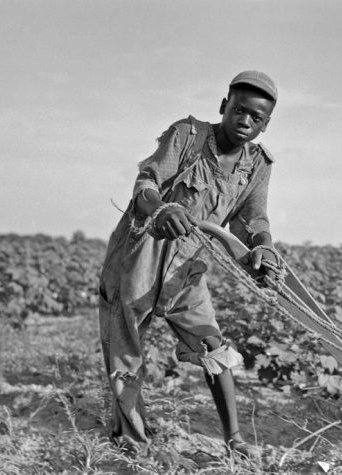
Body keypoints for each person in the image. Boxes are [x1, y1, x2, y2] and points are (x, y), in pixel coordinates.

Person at [98, 70, 280, 456]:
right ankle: (132, 442)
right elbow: (145, 183)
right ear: (223, 106)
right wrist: (161, 207)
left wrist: (263, 247)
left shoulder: (258, 165)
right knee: (125, 346)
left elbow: (253, 220)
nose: (245, 121)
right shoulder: (187, 135)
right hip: (142, 250)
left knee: (213, 346)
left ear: (266, 124)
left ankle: (235, 440)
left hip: (189, 264)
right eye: (239, 110)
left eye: (256, 118)